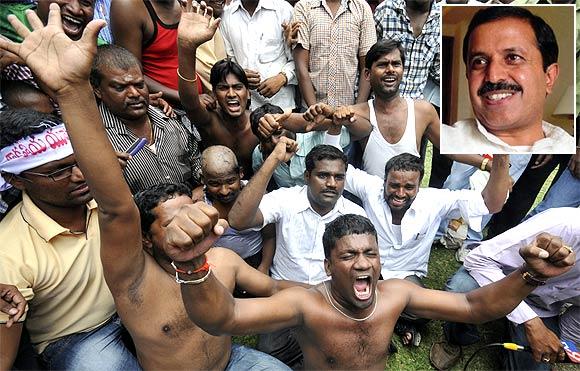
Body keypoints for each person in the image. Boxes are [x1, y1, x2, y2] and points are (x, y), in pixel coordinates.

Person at [0, 5, 299, 370]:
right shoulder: (119, 248)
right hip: (86, 331)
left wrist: (330, 297)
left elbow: (272, 300)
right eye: (60, 172)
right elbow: (116, 207)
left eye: (138, 82)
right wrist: (70, 90)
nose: (81, 176)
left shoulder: (216, 258)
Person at [161, 204, 575, 370]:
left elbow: (474, 306)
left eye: (370, 255)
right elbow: (223, 317)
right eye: (348, 256)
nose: (363, 265)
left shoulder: (397, 294)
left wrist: (530, 276)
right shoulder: (306, 305)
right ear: (328, 266)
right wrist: (194, 264)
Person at [0, 110, 138, 370]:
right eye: (59, 171)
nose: (80, 175)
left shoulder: (105, 193)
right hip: (73, 339)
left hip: (134, 306)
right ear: (15, 179)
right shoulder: (7, 253)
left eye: (79, 161)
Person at [430, 207, 579, 370]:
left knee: (537, 364)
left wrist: (561, 345)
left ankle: (511, 344)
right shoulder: (566, 224)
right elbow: (478, 259)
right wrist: (530, 321)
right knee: (460, 288)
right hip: (500, 279)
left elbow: (575, 320)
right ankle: (456, 338)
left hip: (541, 308)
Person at [440, 6, 575, 154]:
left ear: (549, 77)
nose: (493, 76)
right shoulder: (443, 143)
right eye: (479, 61)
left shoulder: (569, 151)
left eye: (513, 58)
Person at [90, 44, 202, 193]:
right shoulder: (96, 140)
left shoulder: (171, 120)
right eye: (120, 88)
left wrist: (200, 188)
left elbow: (198, 167)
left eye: (139, 84)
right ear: (97, 90)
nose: (134, 94)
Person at [177, 9, 259, 177]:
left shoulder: (258, 123)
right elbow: (189, 102)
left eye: (237, 87)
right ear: (213, 93)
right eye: (223, 88)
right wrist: (187, 46)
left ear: (248, 92)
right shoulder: (210, 121)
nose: (231, 94)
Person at [192, 145, 275, 273]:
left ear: (240, 173)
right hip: (218, 265)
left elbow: (269, 236)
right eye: (215, 184)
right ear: (203, 179)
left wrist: (264, 267)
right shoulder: (199, 203)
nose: (224, 191)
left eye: (230, 181)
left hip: (255, 261)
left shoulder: (258, 195)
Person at [292, 0, 376, 108]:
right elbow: (301, 66)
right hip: (310, 109)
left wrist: (357, 110)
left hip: (349, 111)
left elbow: (367, 67)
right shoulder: (304, 7)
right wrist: (314, 110)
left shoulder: (361, 8)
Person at [220, 0, 296, 111]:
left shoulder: (284, 10)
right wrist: (239, 74)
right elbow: (228, 60)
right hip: (244, 108)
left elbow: (299, 58)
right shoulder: (227, 16)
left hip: (282, 106)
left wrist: (283, 78)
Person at [374, 0, 440, 101]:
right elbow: (367, 62)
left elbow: (437, 71)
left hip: (414, 110)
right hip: (380, 106)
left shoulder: (439, 19)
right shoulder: (386, 10)